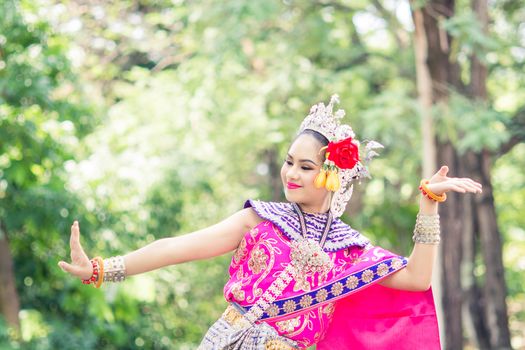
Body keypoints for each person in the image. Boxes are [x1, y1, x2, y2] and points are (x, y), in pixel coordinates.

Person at [59, 95, 482, 349]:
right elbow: (177, 247)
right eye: (288, 162)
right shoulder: (259, 219)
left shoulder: (349, 250)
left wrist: (428, 203)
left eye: (304, 166)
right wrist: (102, 268)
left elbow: (417, 280)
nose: (290, 174)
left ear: (332, 175)